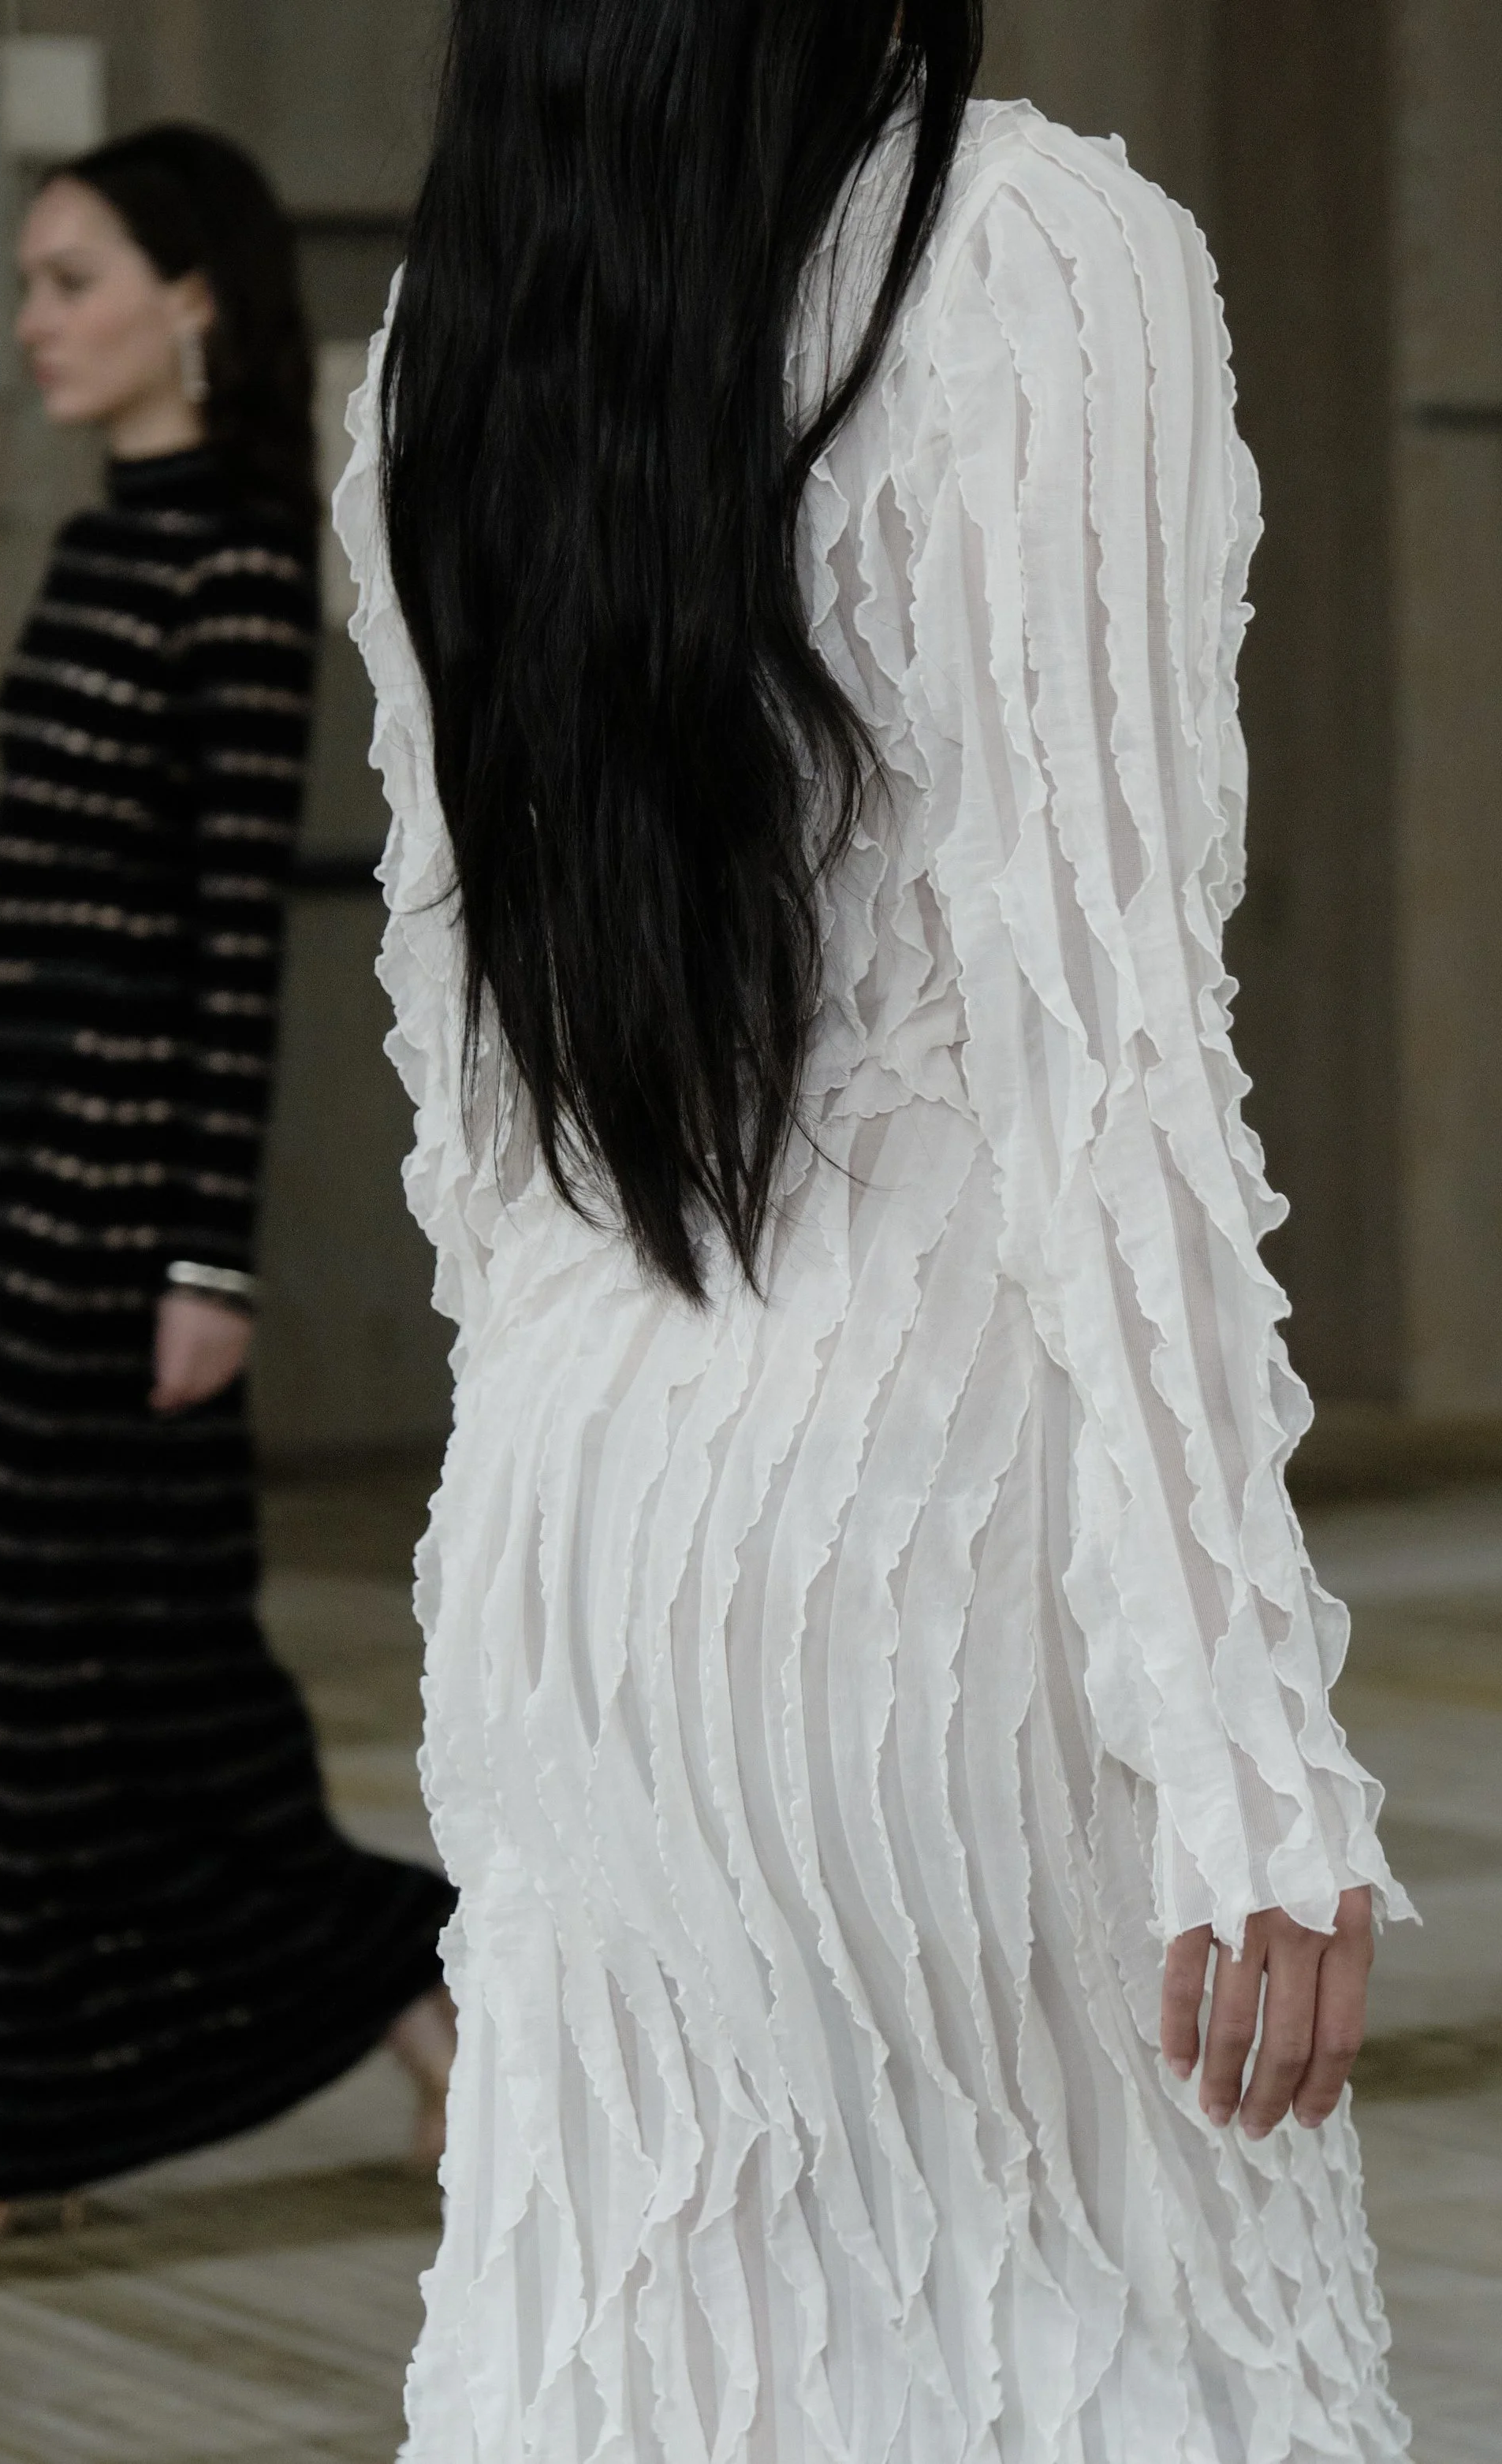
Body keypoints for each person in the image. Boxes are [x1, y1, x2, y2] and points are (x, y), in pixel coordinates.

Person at [335, 4, 1417, 2455]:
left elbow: (468, 1078)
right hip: (943, 1547)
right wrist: (1243, 1729)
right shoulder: (1030, 253)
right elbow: (1109, 1049)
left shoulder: (445, 335)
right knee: (1106, 2357)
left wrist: (506, 1617)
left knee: (656, 2371)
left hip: (575, 1539)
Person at [0, 123, 457, 2258]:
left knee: (88, 1684)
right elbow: (37, 943)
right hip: (41, 1216)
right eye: (27, 283)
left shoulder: (226, 560)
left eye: (70, 279)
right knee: (142, 1681)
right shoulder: (98, 551)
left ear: (193, 296)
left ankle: (5, 2135)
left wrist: (207, 1253)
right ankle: (436, 1985)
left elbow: (218, 943)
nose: (34, 322)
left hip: (138, 1244)